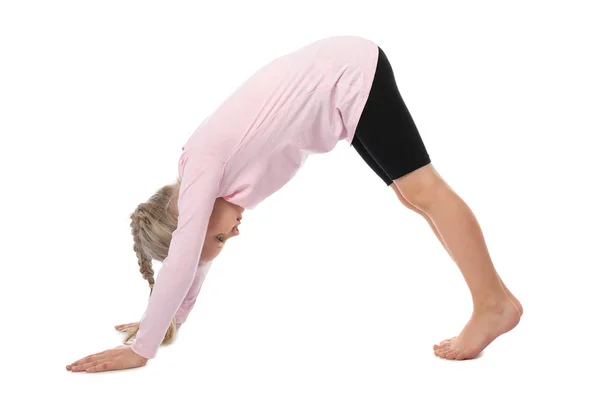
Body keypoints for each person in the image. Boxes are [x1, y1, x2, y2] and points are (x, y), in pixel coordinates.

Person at [66, 35, 522, 373]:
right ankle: (492, 300)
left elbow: (187, 257)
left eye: (221, 235)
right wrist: (166, 320)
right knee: (411, 195)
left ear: (189, 214)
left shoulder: (201, 165)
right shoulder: (202, 185)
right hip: (342, 80)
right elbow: (196, 260)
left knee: (423, 189)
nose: (235, 234)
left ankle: (493, 305)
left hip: (346, 74)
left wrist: (141, 348)